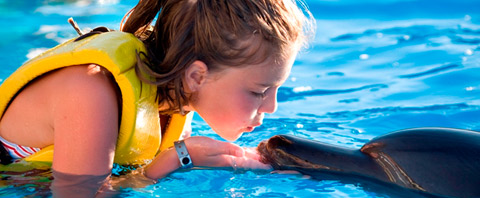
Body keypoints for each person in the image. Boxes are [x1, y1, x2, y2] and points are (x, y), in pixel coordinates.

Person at [0, 0, 314, 196]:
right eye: (259, 91)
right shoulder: (92, 92)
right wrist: (179, 158)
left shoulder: (177, 98)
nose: (272, 106)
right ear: (197, 76)